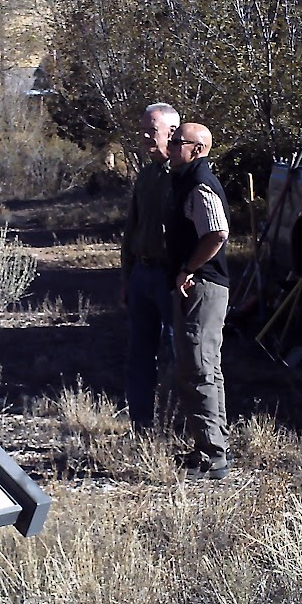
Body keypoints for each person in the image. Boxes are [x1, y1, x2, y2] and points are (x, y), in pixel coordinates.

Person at [165, 122, 232, 479]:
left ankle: (213, 457)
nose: (171, 147)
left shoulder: (200, 184)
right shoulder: (186, 180)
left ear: (198, 149)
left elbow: (217, 233)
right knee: (203, 367)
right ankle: (212, 446)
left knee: (199, 368)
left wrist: (189, 268)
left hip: (202, 287)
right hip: (199, 284)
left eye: (178, 142)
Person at [121, 102, 180, 431]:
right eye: (142, 130)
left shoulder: (184, 176)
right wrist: (126, 278)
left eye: (151, 130)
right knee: (139, 355)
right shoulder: (146, 176)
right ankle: (141, 426)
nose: (144, 136)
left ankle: (176, 426)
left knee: (176, 352)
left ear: (171, 133)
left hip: (170, 277)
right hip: (142, 275)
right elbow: (132, 229)